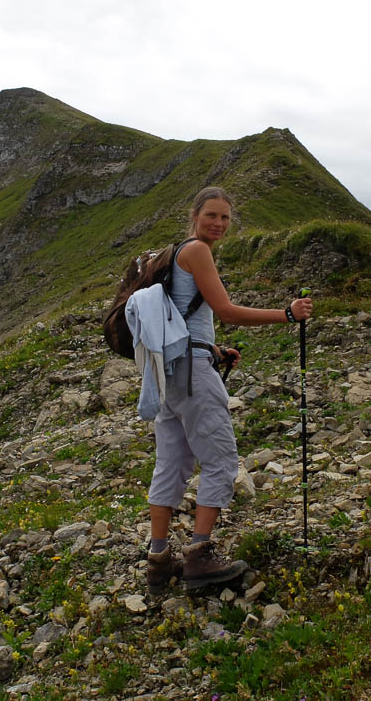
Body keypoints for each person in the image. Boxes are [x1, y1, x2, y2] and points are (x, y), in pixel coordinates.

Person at [146, 186, 313, 594]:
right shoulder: (198, 251)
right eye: (212, 215)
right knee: (221, 459)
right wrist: (286, 315)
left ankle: (158, 559)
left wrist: (215, 348)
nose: (219, 224)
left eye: (225, 217)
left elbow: (180, 319)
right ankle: (199, 557)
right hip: (191, 374)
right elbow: (226, 310)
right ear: (195, 214)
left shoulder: (173, 253)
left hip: (166, 373)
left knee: (171, 464)